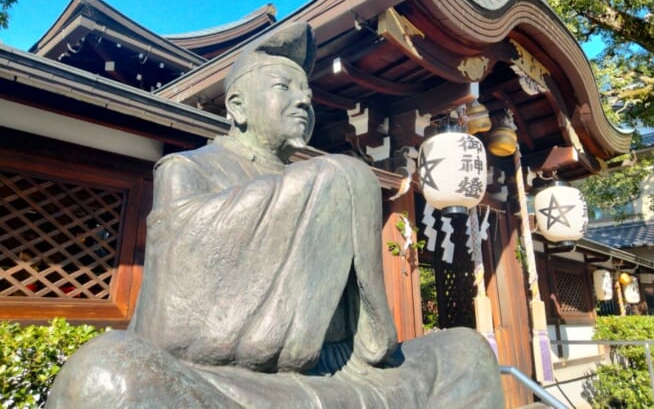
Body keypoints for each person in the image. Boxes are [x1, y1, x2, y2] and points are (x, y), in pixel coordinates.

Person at [47, 22, 504, 408]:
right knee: (107, 375)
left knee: (467, 352)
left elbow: (367, 326)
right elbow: (172, 317)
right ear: (237, 107)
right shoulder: (190, 170)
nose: (305, 101)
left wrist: (330, 191)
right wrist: (331, 186)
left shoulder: (318, 179)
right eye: (284, 88)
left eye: (307, 93)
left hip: (343, 371)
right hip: (239, 386)